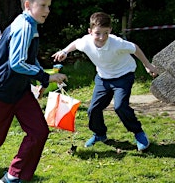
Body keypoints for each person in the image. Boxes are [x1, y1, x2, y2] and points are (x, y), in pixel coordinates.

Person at [0, 0, 67, 182]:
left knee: (38, 132)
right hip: (0, 91)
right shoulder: (24, 26)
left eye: (49, 6)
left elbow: (28, 59)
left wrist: (39, 79)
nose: (47, 11)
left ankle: (13, 176)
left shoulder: (30, 24)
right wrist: (45, 77)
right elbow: (17, 63)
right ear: (28, 5)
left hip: (20, 91)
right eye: (43, 6)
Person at [52, 11, 159, 151]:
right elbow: (76, 43)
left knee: (120, 106)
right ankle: (100, 134)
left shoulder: (117, 43)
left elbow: (135, 48)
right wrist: (64, 52)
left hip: (123, 76)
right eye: (97, 33)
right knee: (93, 109)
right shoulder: (86, 42)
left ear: (110, 31)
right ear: (90, 31)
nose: (102, 37)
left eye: (106, 33)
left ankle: (138, 133)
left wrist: (148, 65)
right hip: (103, 78)